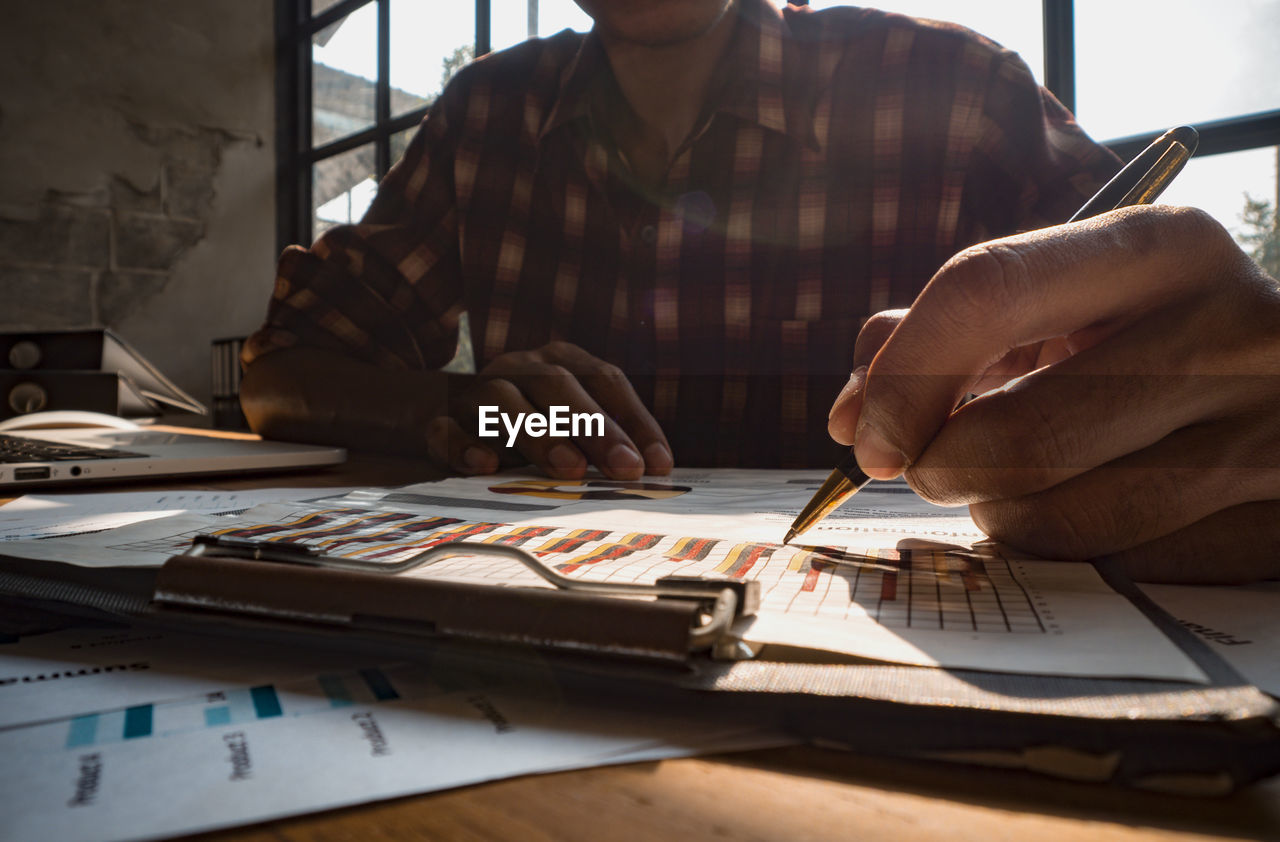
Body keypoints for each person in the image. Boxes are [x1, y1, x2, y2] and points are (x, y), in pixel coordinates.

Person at [240, 0, 1280, 582]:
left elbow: (1183, 328)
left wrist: (1232, 393)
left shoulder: (950, 95)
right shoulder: (485, 119)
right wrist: (448, 407)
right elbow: (282, 373)